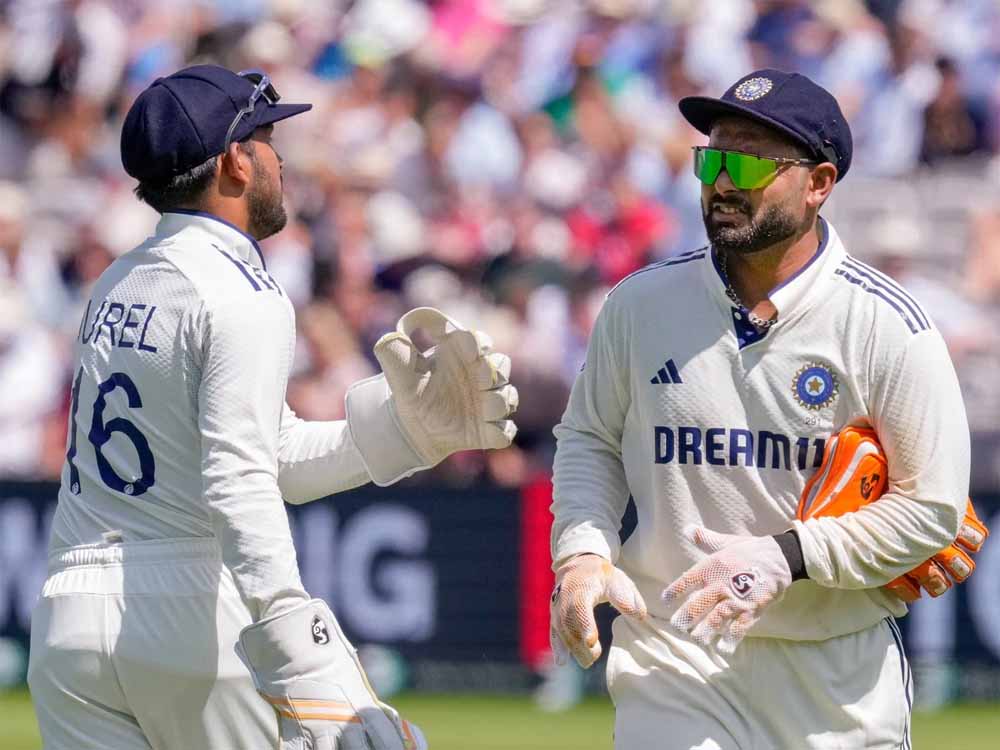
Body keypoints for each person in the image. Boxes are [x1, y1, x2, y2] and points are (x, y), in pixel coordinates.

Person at [27, 65, 518, 750]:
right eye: (266, 141)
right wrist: (295, 633)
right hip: (187, 612)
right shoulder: (242, 291)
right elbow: (240, 478)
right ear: (235, 160)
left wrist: (402, 435)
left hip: (68, 616)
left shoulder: (117, 280)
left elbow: (267, 454)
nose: (279, 161)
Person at [548, 69, 970, 749]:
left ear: (818, 183)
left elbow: (933, 510)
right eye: (711, 160)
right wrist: (582, 553)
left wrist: (787, 556)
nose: (722, 183)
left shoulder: (887, 324)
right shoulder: (639, 304)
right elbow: (591, 438)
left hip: (833, 673)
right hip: (675, 655)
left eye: (747, 164)